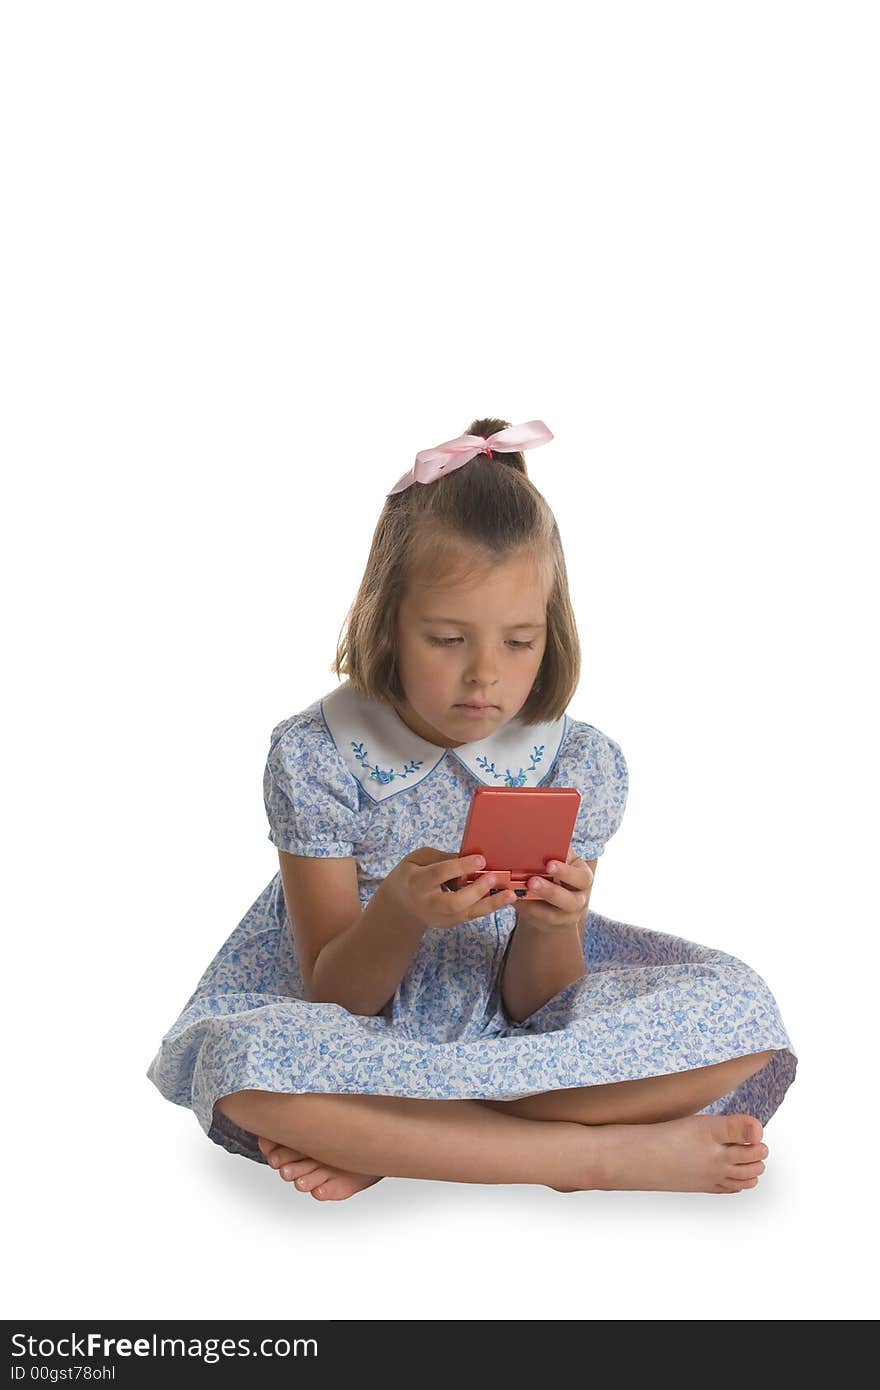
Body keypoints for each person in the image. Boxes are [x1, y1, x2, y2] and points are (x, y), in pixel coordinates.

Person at [146, 416, 797, 1200]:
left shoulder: (576, 761)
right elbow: (334, 998)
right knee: (241, 1069)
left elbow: (536, 1007)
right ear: (388, 624)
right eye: (448, 638)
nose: (485, 676)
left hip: (520, 1047)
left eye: (519, 642)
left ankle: (415, 1139)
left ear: (549, 633)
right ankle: (592, 1158)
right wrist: (397, 912)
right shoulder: (316, 756)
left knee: (742, 1019)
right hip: (359, 1040)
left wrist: (552, 924)